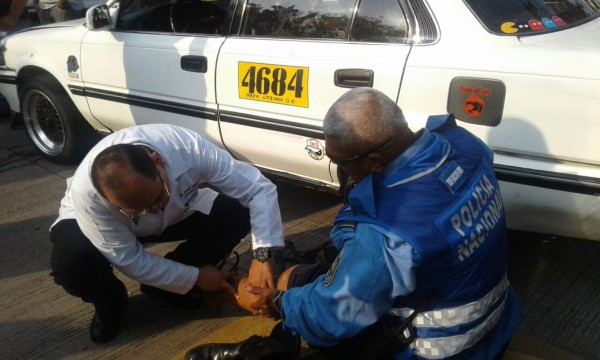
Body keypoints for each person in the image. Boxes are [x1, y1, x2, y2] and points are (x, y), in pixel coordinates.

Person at [186, 88, 523, 359]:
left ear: (374, 161)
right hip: (495, 318)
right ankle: (279, 344)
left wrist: (269, 303)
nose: (341, 172)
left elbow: (331, 316)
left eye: (341, 162)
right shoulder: (460, 144)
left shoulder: (387, 230)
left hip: (439, 348)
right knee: (295, 276)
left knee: (306, 303)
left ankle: (272, 341)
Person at [49, 124, 285, 344]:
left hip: (180, 211)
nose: (155, 211)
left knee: (237, 211)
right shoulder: (88, 196)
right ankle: (110, 300)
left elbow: (257, 189)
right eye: (141, 209)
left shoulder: (186, 147)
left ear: (158, 161)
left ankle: (165, 285)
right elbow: (130, 260)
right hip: (113, 227)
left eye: (159, 197)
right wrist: (196, 277)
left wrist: (262, 254)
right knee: (73, 261)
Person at [0, 0, 28, 129]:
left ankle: (24, 114)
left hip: (14, 23)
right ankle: (5, 109)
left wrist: (13, 16)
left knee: (17, 69)